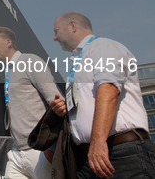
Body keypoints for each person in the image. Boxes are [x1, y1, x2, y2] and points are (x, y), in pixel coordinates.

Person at [50, 12, 154, 179]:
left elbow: (109, 91)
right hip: (91, 157)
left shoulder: (103, 47)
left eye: (56, 31)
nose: (54, 38)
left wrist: (98, 142)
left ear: (73, 26)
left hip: (119, 154)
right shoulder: (79, 62)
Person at [0, 27, 62, 179]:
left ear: (8, 42)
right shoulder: (8, 71)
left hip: (39, 150)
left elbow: (57, 101)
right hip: (16, 152)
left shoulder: (30, 61)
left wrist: (49, 149)